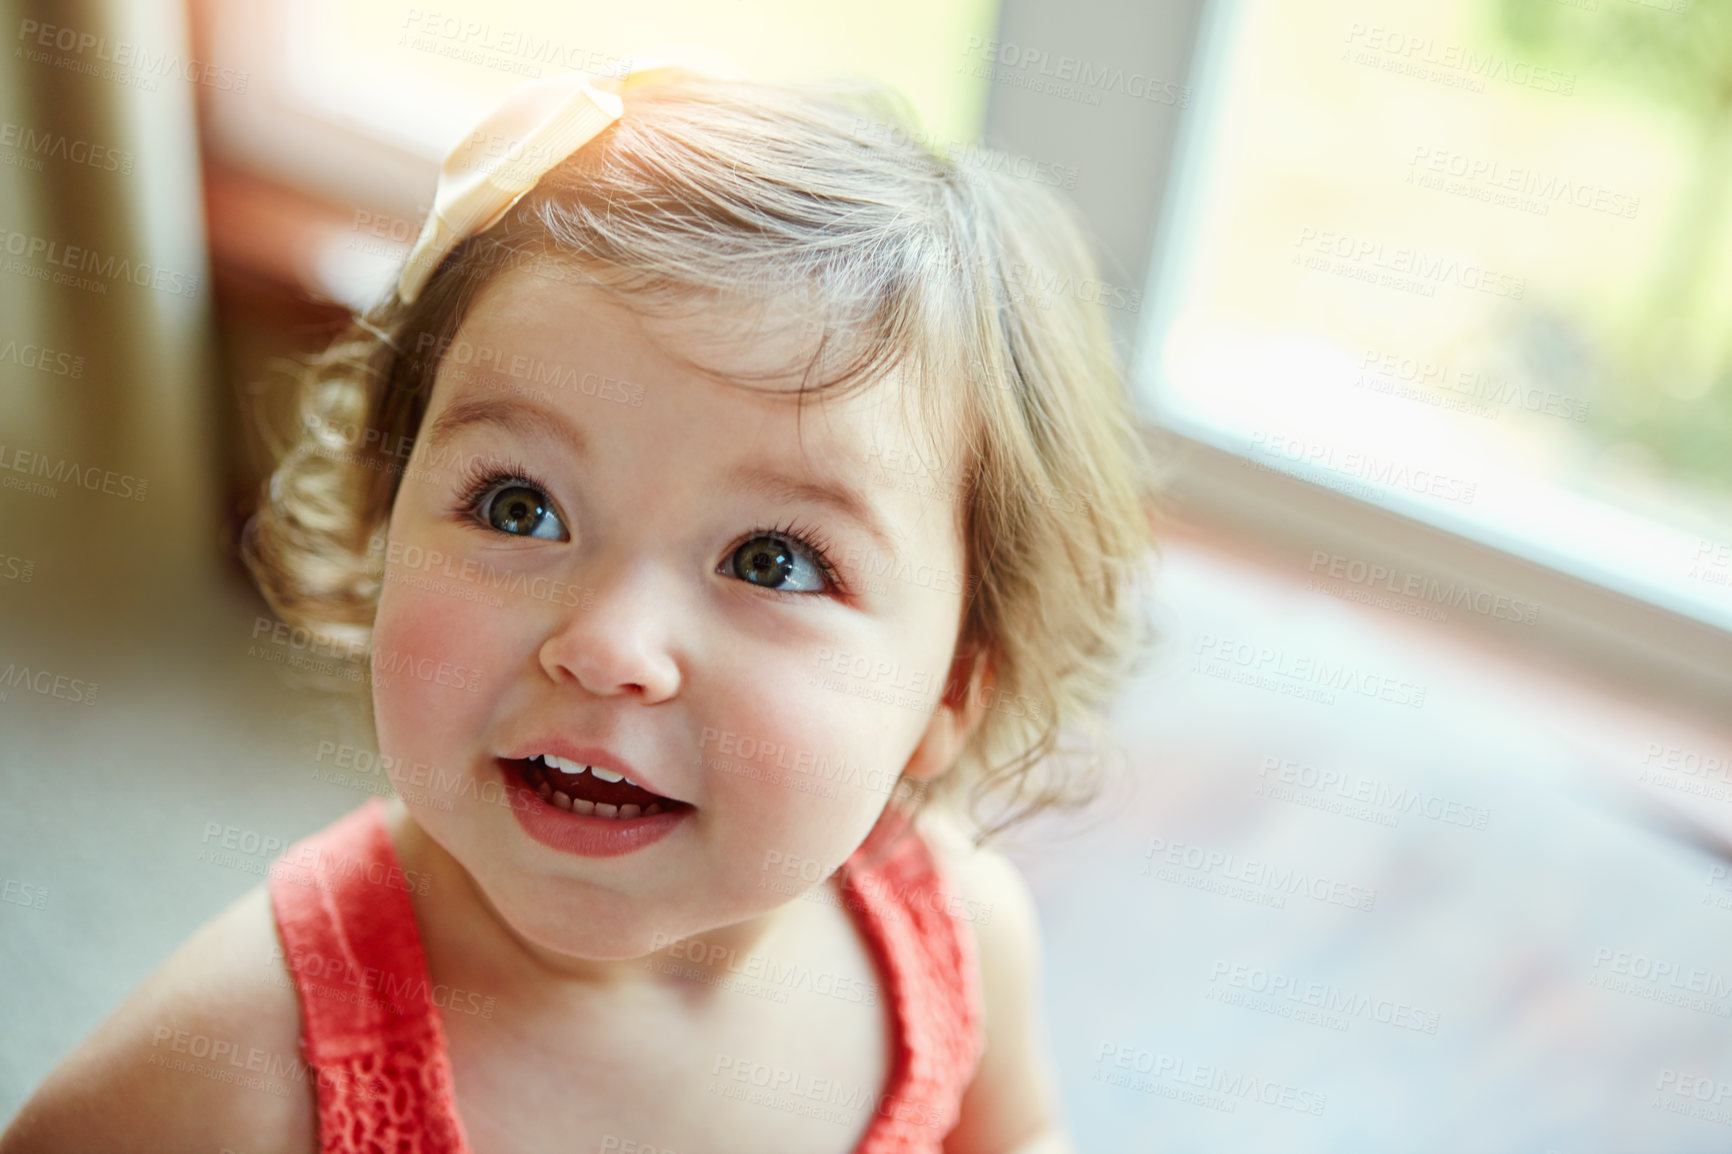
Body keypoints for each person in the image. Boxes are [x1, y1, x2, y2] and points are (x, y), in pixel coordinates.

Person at [2, 56, 1156, 1154]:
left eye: (770, 561)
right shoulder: (228, 1069)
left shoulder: (950, 933)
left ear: (952, 684)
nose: (607, 646)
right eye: (518, 506)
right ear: (382, 521)